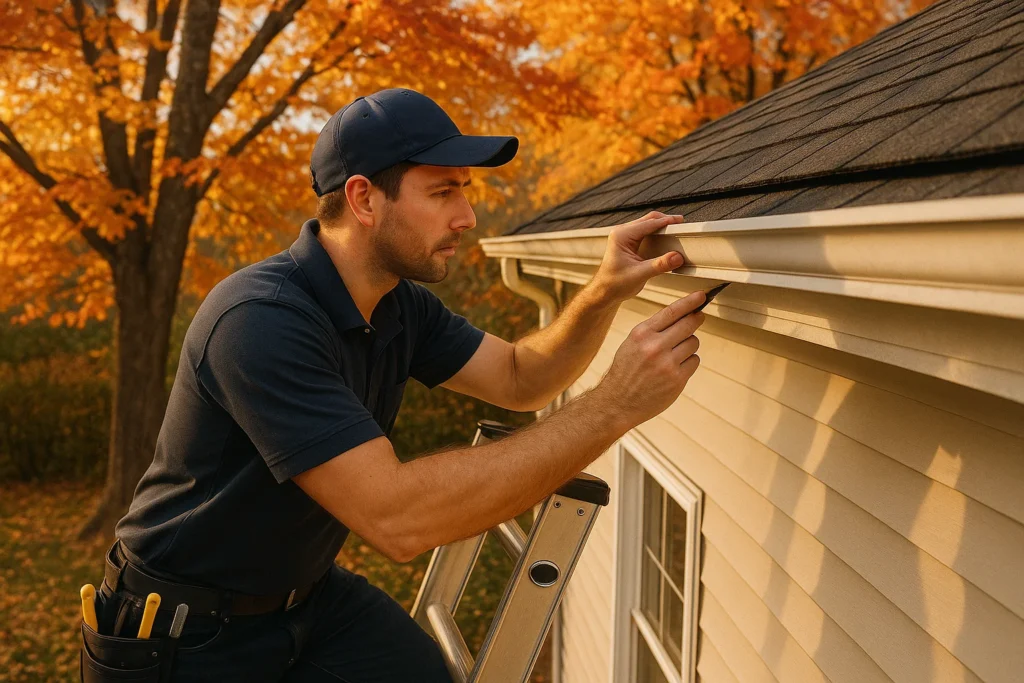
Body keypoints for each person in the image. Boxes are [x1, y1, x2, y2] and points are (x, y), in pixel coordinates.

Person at [89, 88, 705, 682]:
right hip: (182, 638)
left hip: (307, 598)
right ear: (363, 199)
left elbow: (521, 379)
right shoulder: (259, 319)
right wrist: (615, 406)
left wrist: (603, 291)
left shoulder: (396, 304)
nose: (466, 216)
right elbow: (397, 519)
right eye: (442, 192)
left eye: (464, 191)